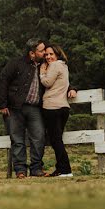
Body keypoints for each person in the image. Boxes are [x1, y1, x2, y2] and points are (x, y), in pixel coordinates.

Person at [0, 38, 77, 178]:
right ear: (32, 53)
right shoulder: (16, 64)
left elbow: (60, 79)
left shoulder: (45, 65)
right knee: (17, 139)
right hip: (15, 107)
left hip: (35, 108)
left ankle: (36, 169)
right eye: (41, 51)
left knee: (38, 137)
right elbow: (2, 81)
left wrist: (71, 88)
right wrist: (2, 104)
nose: (45, 53)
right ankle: (20, 170)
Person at [40, 44, 73, 177]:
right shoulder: (64, 66)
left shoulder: (54, 66)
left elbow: (47, 82)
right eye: (46, 54)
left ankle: (66, 170)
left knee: (56, 140)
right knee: (57, 139)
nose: (48, 57)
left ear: (57, 54)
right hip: (63, 107)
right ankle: (60, 169)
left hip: (52, 107)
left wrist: (42, 72)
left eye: (51, 54)